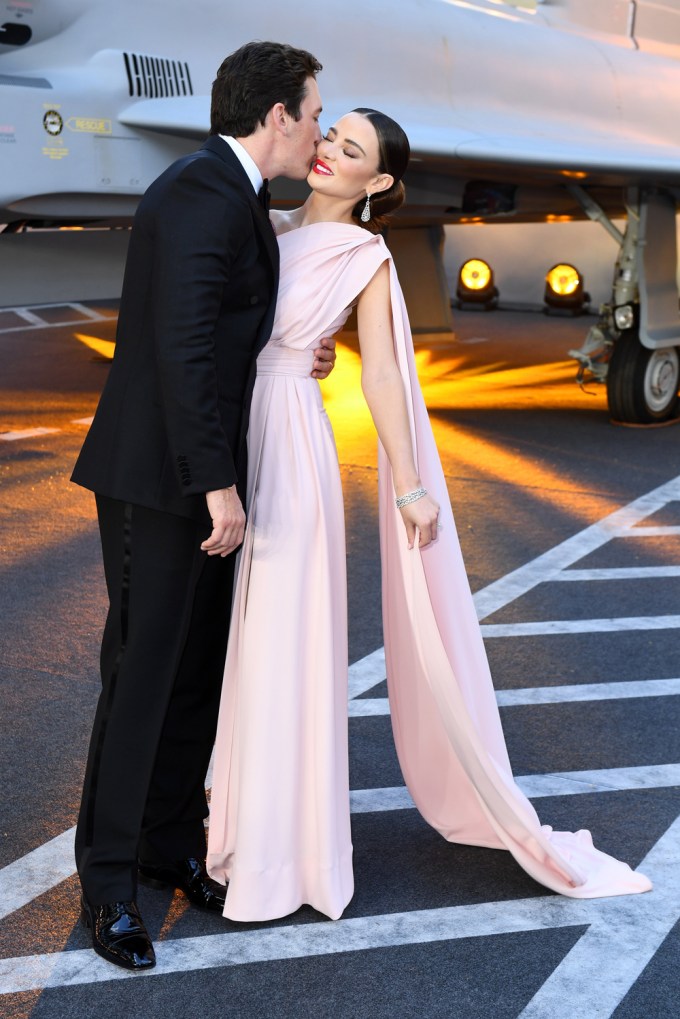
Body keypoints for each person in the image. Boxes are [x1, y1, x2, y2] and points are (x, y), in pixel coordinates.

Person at [206, 108, 652, 922]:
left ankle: (286, 850)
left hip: (293, 443)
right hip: (233, 436)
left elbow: (383, 378)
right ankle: (232, 819)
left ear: (376, 182)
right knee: (227, 641)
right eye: (330, 134)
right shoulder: (259, 222)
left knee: (282, 635)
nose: (330, 151)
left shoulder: (365, 253)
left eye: (353, 150)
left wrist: (412, 485)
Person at [70, 41, 336, 971]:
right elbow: (180, 347)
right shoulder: (196, 190)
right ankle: (108, 887)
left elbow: (227, 330)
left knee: (194, 672)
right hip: (162, 482)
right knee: (141, 677)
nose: (316, 132)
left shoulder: (236, 197)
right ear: (274, 117)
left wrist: (303, 355)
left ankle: (167, 842)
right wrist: (215, 483)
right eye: (311, 114)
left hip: (204, 475)